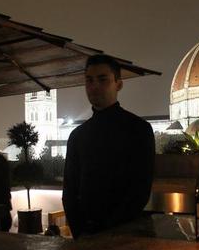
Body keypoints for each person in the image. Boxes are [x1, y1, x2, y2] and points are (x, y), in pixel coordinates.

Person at [63, 54, 155, 239]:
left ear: (118, 84)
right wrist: (80, 233)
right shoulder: (77, 136)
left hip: (125, 237)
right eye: (89, 80)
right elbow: (70, 192)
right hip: (87, 238)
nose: (94, 86)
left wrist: (96, 232)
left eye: (102, 79)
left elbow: (139, 191)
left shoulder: (139, 130)